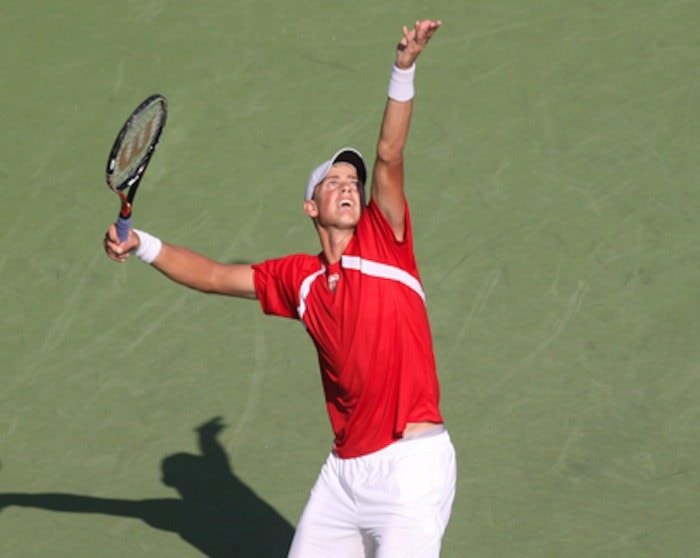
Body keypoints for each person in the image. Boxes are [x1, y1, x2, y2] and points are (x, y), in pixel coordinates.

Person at [104, 19, 455, 558]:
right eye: (333, 181)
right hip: (343, 476)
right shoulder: (300, 279)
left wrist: (402, 69)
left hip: (410, 469)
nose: (347, 186)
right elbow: (218, 277)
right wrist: (143, 245)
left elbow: (388, 154)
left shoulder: (388, 239)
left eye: (351, 182)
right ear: (311, 207)